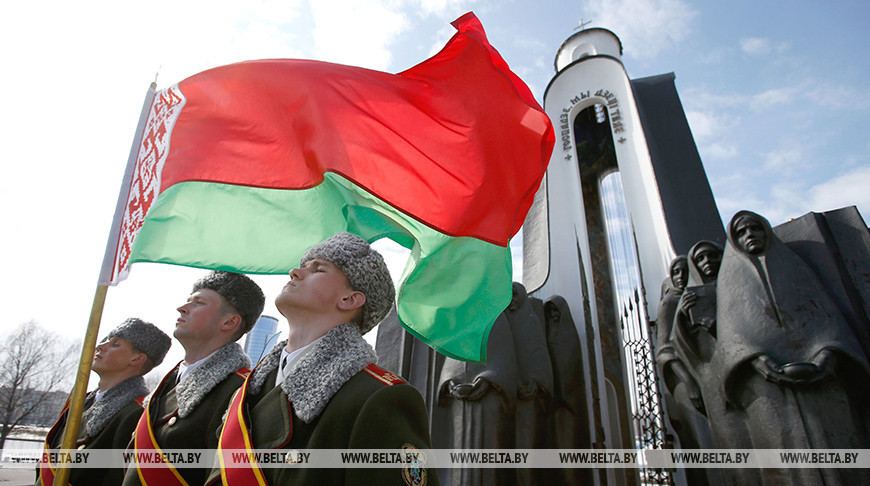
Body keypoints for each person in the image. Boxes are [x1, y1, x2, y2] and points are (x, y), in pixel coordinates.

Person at [210, 233, 436, 485]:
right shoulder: (245, 393)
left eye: (318, 269)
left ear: (350, 299)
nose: (295, 272)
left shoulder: (381, 397)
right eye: (302, 266)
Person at [123, 271, 264, 486]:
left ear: (229, 322)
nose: (182, 308)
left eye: (198, 302)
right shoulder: (165, 387)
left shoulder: (242, 391)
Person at [37, 318, 170, 486]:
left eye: (115, 344)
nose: (100, 346)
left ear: (136, 359)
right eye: (107, 340)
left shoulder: (135, 413)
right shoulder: (81, 402)